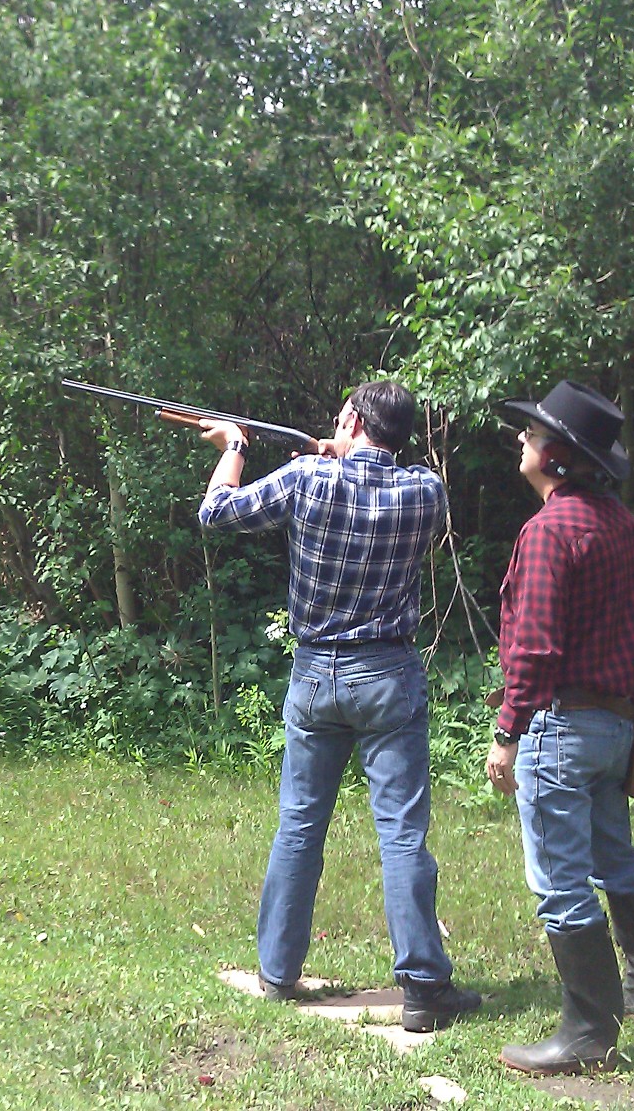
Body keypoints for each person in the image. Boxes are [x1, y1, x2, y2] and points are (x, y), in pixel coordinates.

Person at [197, 380, 481, 1033]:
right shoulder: (426, 492)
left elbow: (216, 513)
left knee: (300, 824)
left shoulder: (306, 479)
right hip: (388, 674)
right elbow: (384, 478)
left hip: (315, 675)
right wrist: (341, 452)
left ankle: (277, 971)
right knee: (402, 833)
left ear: (352, 419)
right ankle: (423, 988)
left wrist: (234, 447)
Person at [487, 380, 634, 1075]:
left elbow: (534, 648)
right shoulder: (621, 524)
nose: (522, 439)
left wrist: (508, 732)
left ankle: (590, 1034)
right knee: (616, 857)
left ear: (557, 458)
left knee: (560, 881)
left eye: (533, 435)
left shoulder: (549, 531)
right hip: (614, 727)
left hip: (560, 729)